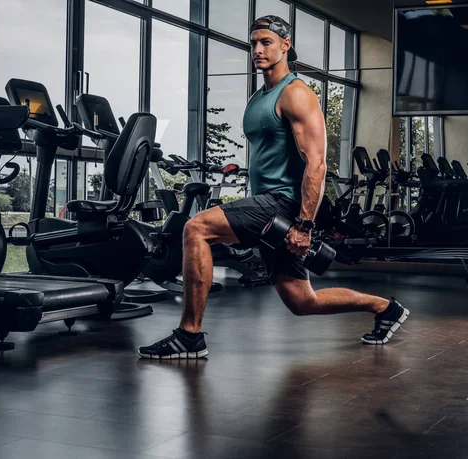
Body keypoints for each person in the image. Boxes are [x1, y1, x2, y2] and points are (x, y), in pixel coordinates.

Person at [138, 15, 410, 359]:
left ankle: (189, 336)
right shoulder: (259, 96)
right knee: (301, 300)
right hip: (267, 203)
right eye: (253, 43)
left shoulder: (296, 94)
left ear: (286, 44)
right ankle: (386, 308)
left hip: (284, 203)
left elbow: (317, 163)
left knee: (197, 227)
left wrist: (305, 225)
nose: (257, 49)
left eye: (266, 42)